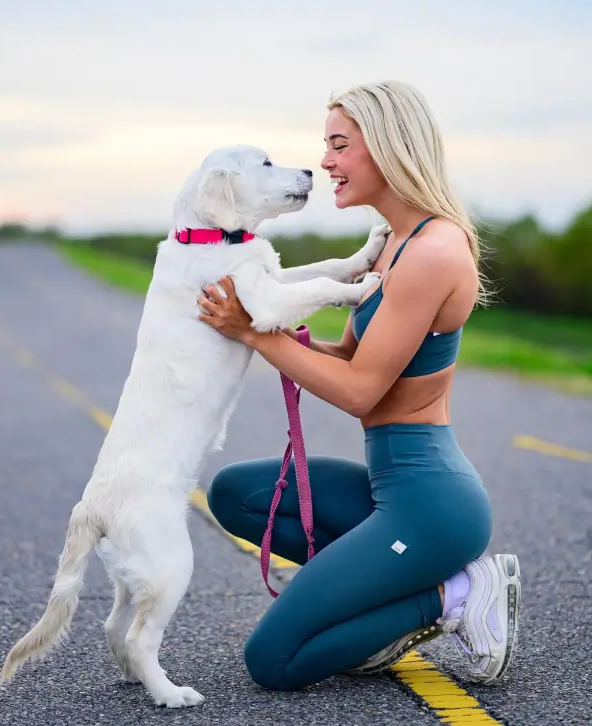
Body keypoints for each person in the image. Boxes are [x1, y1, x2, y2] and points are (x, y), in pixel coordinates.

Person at [198, 80, 521, 691]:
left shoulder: (433, 251)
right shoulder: (393, 245)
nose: (325, 161)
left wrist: (255, 334)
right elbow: (348, 354)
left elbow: (358, 391)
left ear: (389, 148)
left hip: (431, 506)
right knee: (235, 493)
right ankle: (370, 606)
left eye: (339, 145)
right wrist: (268, 329)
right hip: (387, 486)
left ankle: (455, 592)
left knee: (274, 661)